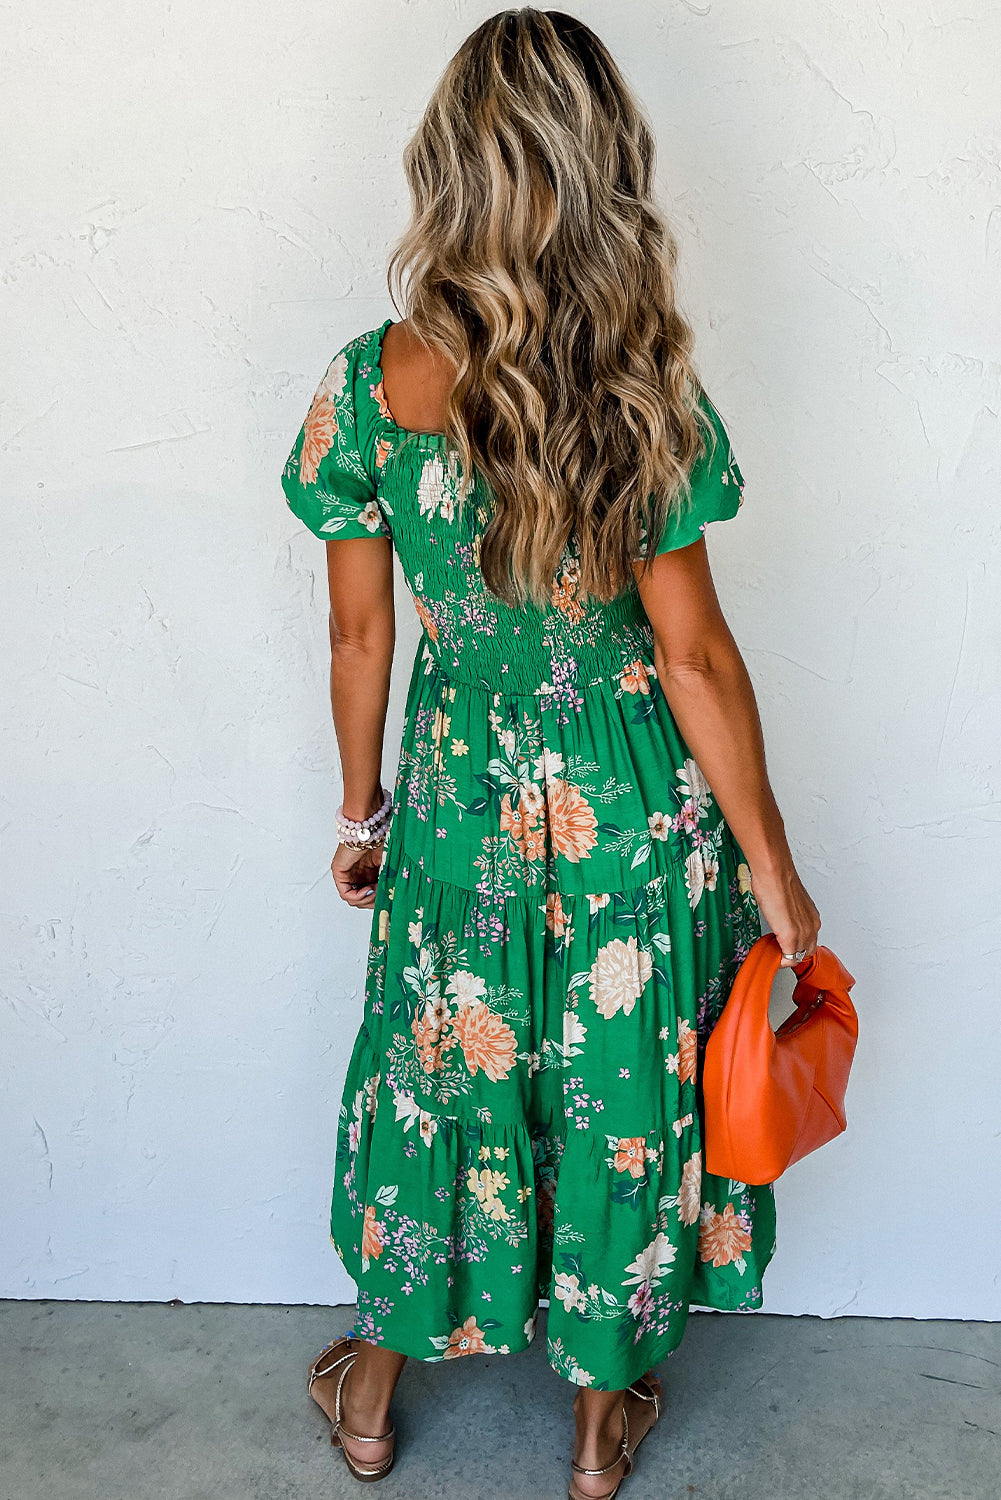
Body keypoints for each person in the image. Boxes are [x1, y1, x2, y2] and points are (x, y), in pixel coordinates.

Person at [281, 9, 820, 1496]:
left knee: (438, 1084)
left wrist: (359, 808)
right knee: (620, 1097)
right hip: (633, 802)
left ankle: (374, 1404)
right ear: (604, 171)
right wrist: (773, 870)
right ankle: (594, 1433)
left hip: (458, 789)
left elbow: (356, 641)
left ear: (448, 169)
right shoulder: (643, 389)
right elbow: (694, 657)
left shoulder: (368, 385)